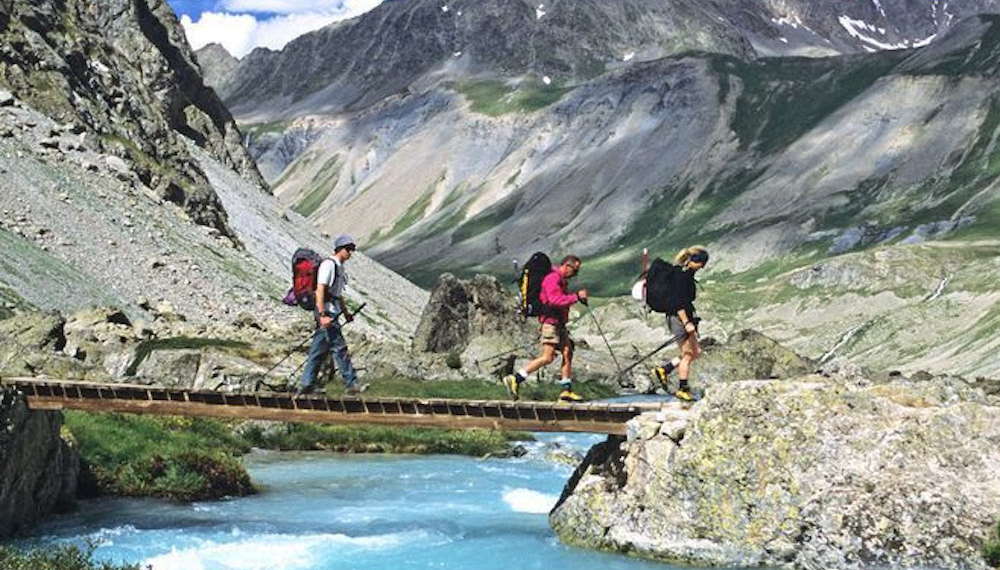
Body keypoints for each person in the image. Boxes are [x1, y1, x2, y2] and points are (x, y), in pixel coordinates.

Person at [504, 255, 588, 402]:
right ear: (567, 266)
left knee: (567, 351)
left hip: (558, 323)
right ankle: (515, 379)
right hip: (550, 322)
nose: (575, 274)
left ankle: (566, 391)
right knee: (547, 357)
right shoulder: (552, 279)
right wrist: (576, 297)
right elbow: (554, 300)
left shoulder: (561, 281)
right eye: (575, 270)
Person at [298, 235, 367, 395]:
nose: (351, 252)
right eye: (348, 249)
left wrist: (346, 313)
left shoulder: (339, 267)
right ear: (340, 249)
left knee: (318, 350)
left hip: (332, 311)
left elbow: (337, 294)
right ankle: (352, 384)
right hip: (327, 312)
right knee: (339, 347)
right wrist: (322, 314)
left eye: (352, 249)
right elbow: (320, 290)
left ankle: (307, 384)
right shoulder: (329, 265)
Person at [651, 246, 709, 402]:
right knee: (689, 354)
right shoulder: (681, 276)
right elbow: (678, 302)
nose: (703, 267)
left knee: (695, 352)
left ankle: (665, 369)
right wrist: (686, 322)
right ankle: (682, 389)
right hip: (678, 318)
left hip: (684, 317)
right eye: (701, 263)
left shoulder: (686, 275)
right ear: (692, 261)